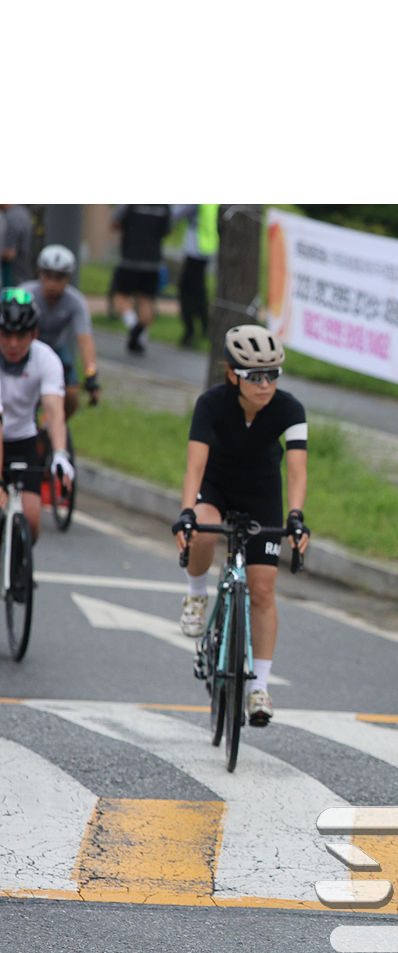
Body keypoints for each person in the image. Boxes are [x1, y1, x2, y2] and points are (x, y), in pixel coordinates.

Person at [172, 325, 309, 727]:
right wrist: (186, 512)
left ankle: (259, 688)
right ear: (233, 374)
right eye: (256, 376)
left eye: (273, 374)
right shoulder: (211, 403)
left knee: (262, 589)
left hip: (261, 493)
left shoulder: (290, 409)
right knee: (202, 527)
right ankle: (196, 594)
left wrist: (296, 517)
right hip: (216, 486)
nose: (266, 384)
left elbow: (297, 471)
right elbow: (195, 466)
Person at [0, 289, 73, 543]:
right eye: (6, 334)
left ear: (34, 334)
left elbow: (54, 410)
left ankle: (19, 564)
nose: (13, 344)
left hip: (23, 439)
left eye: (21, 336)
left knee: (30, 518)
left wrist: (61, 454)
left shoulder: (46, 359)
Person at [23, 245, 99, 416]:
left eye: (59, 277)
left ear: (68, 278)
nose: (52, 282)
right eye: (47, 275)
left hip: (56, 349)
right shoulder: (26, 294)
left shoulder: (75, 301)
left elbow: (85, 338)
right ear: (39, 273)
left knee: (72, 395)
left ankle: (54, 425)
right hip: (26, 348)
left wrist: (91, 374)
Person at [109, 205, 171, 354]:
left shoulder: (131, 203)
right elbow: (167, 230)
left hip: (130, 259)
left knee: (119, 296)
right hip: (153, 261)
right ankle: (141, 337)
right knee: (146, 299)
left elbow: (114, 223)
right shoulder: (164, 206)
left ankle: (134, 326)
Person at [170, 205, 218, 347]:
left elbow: (176, 214)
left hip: (196, 247)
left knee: (187, 289)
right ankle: (204, 327)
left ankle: (191, 330)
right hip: (206, 245)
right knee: (198, 289)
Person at [1, 205, 35, 287]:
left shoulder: (14, 217)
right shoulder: (21, 212)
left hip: (13, 279)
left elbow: (9, 253)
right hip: (22, 275)